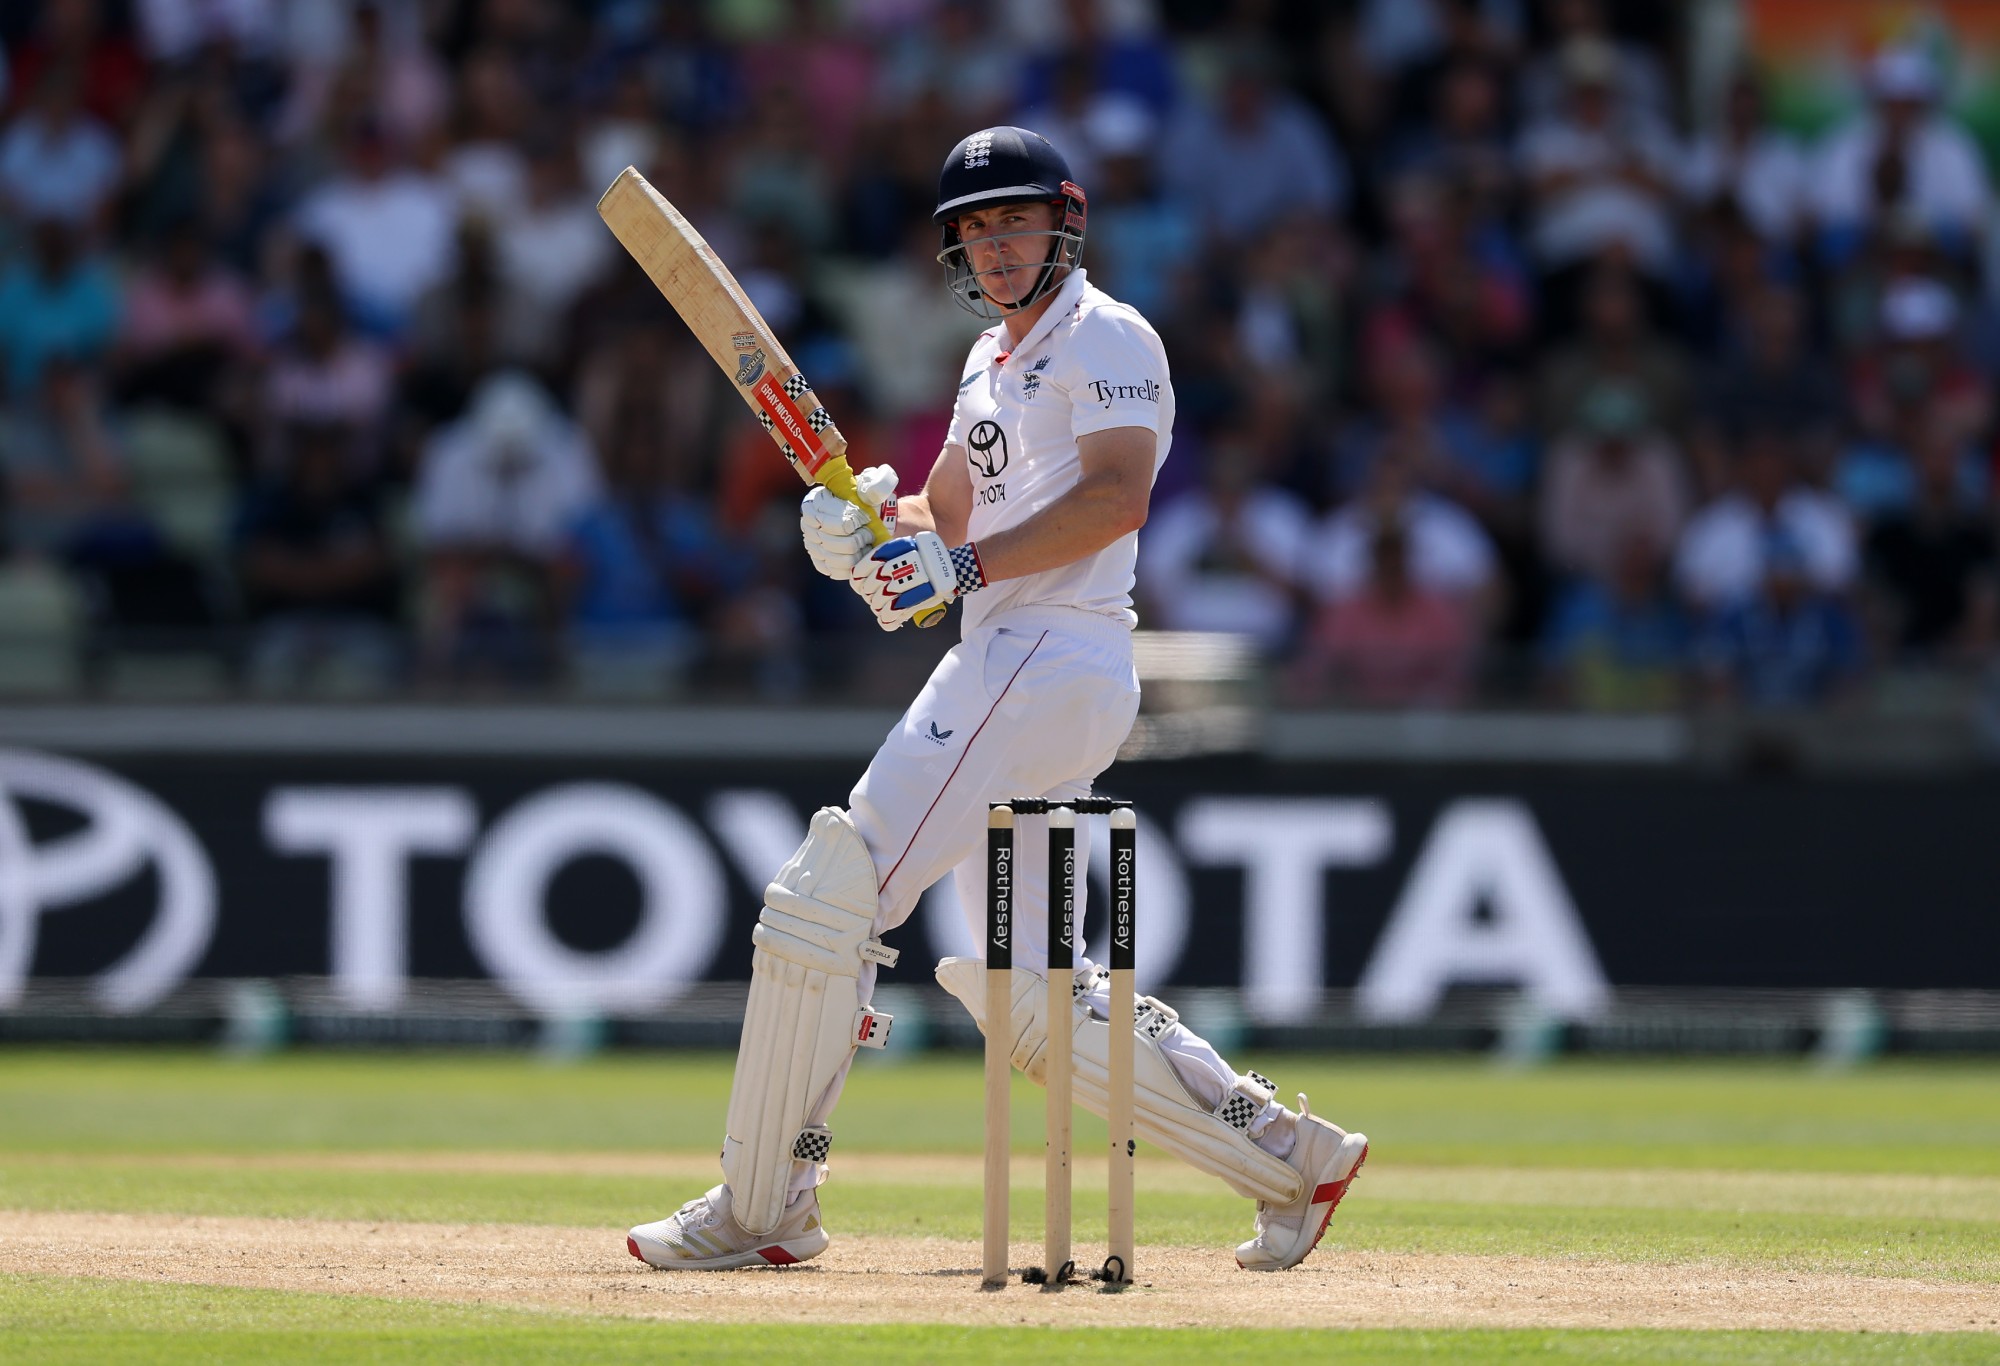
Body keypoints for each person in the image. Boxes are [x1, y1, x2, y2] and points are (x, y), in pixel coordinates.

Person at [625, 127, 1367, 1275]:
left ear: (1064, 224)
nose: (995, 244)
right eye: (974, 228)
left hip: (1046, 653)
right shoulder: (987, 359)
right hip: (1023, 661)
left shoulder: (1109, 336)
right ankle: (1287, 1160)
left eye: (1014, 221)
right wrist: (865, 526)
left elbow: (1116, 497)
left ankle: (767, 1202)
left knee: (834, 893)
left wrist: (957, 571)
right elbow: (947, 516)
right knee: (1028, 999)